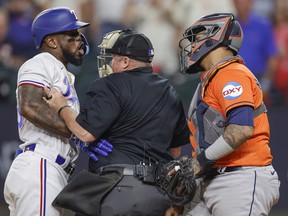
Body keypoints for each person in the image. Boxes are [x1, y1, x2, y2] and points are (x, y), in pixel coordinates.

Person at [44, 28, 190, 216]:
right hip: (160, 194)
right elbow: (175, 151)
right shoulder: (171, 92)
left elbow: (85, 133)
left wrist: (62, 106)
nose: (111, 63)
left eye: (113, 58)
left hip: (120, 191)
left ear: (126, 61)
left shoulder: (111, 84)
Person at [165, 13, 280, 216]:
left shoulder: (231, 73)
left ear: (214, 36)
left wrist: (198, 163)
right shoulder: (210, 79)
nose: (191, 46)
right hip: (215, 178)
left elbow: (241, 129)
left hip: (240, 178)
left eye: (196, 38)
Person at [3, 7, 112, 216]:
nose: (80, 39)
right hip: (41, 167)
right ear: (52, 41)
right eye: (72, 34)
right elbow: (29, 105)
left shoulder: (60, 71)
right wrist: (79, 134)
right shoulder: (41, 62)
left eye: (79, 33)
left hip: (47, 170)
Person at [233, 0, 278, 106]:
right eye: (238, 2)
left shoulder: (263, 25)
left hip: (258, 81)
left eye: (245, 2)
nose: (242, 5)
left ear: (251, 2)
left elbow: (272, 58)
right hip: (235, 82)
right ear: (234, 3)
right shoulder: (229, 27)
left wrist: (265, 85)